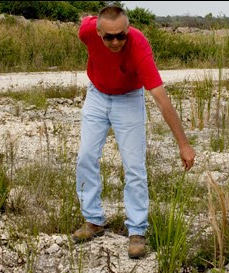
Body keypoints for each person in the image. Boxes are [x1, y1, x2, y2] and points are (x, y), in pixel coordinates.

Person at [73, 5, 196, 259]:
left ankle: (137, 230)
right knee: (86, 156)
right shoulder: (87, 30)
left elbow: (161, 98)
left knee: (134, 166)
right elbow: (83, 20)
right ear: (98, 32)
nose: (116, 41)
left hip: (128, 98)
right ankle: (94, 221)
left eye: (121, 35)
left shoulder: (138, 45)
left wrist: (183, 144)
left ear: (128, 30)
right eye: (109, 37)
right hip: (97, 94)